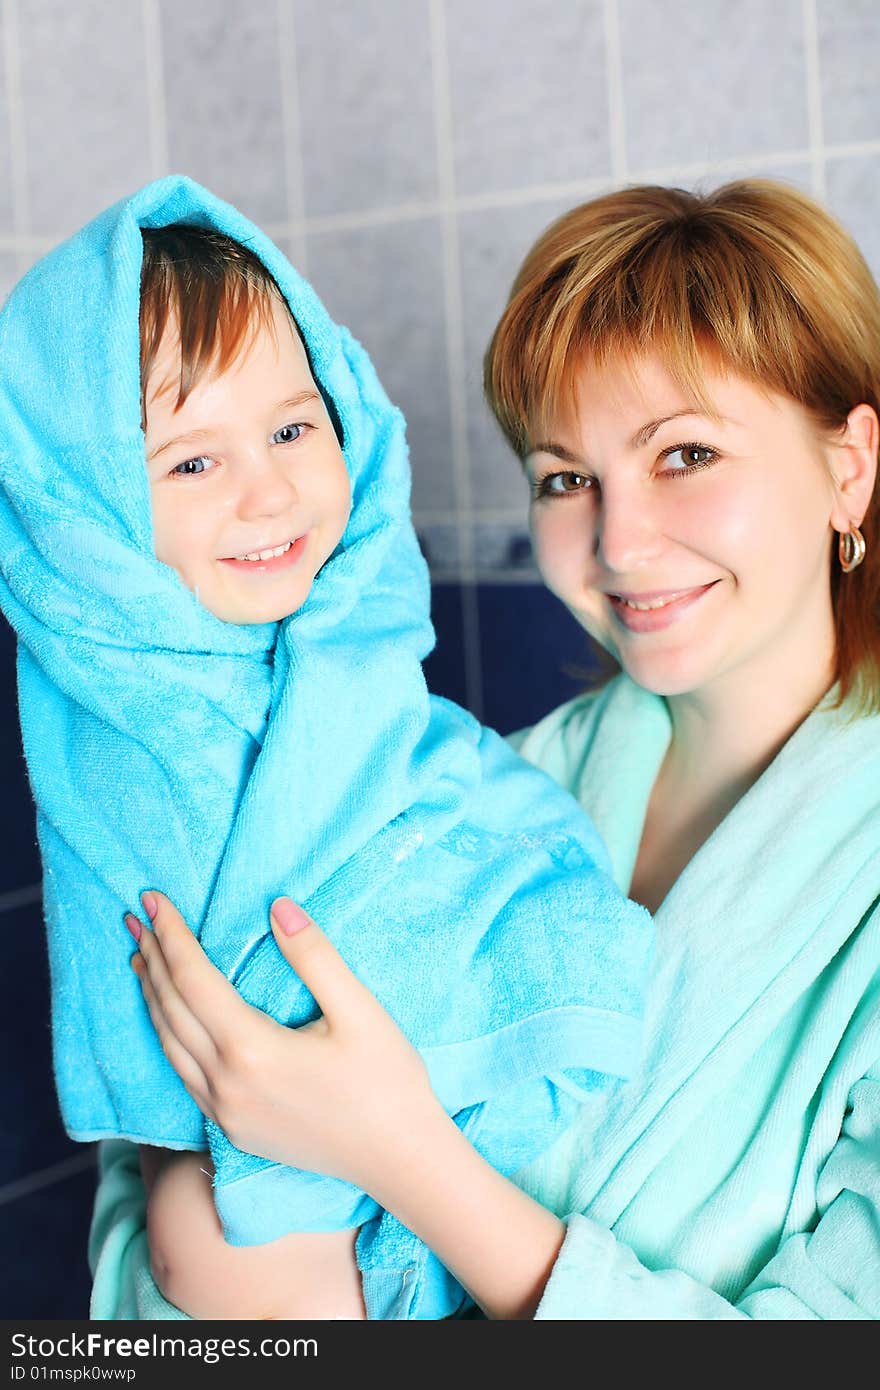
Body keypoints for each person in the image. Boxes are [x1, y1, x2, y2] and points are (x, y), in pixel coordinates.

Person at [118, 177, 880, 1319]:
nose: (618, 542)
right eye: (567, 478)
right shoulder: (470, 789)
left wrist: (404, 1160)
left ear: (847, 467)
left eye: (683, 454)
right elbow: (176, 1227)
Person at [0, 176, 653, 1322]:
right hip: (271, 1202)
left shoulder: (349, 641)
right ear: (88, 517)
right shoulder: (128, 700)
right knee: (203, 1238)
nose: (272, 491)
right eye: (191, 462)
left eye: (294, 427)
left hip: (409, 1166)